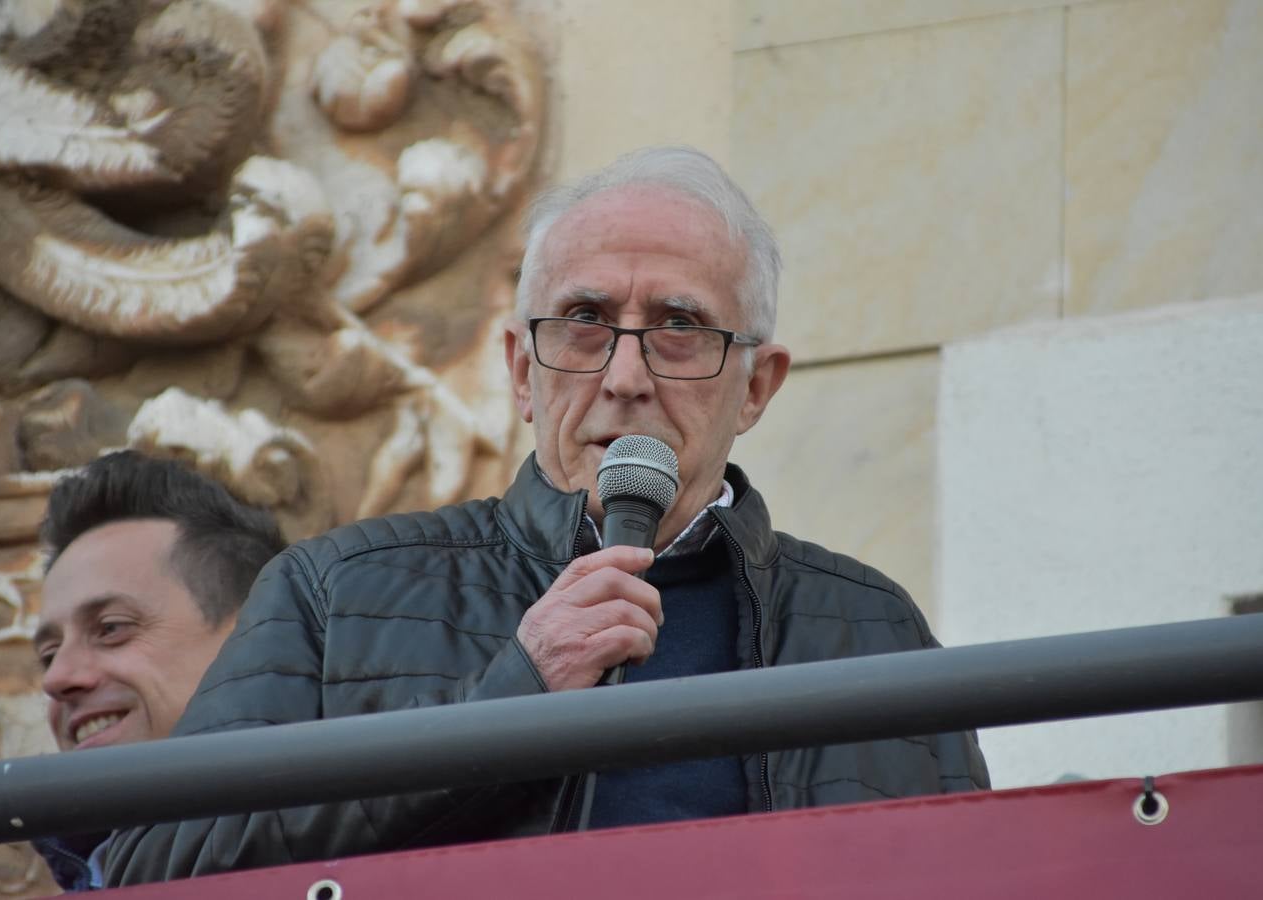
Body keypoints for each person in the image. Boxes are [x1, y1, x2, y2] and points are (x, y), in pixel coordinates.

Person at [104, 146, 989, 886]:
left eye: (679, 323)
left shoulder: (872, 628)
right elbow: (152, 865)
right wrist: (515, 699)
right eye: (584, 320)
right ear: (522, 373)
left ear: (756, 387)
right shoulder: (336, 591)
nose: (626, 376)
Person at [29, 450, 285, 891]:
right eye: (50, 654)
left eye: (111, 629)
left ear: (251, 636)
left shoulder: (403, 847)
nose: (57, 680)